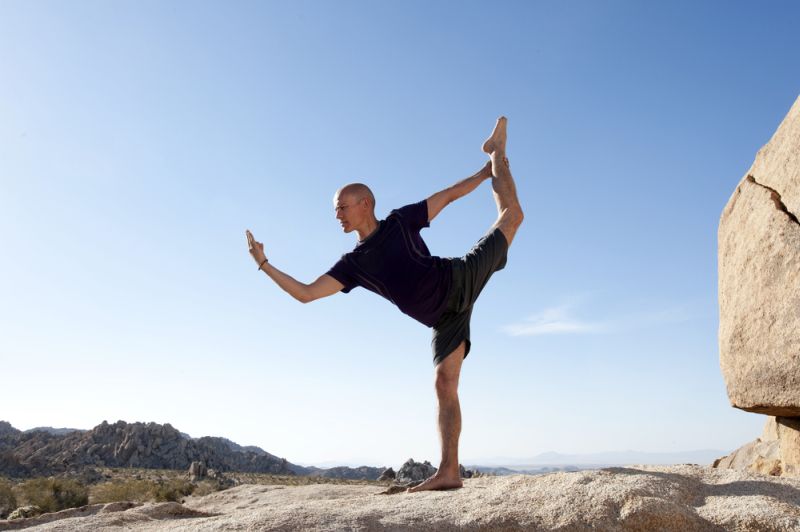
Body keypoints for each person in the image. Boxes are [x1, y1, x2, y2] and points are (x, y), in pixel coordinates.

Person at [246, 117, 523, 492]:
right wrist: (263, 264)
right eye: (335, 210)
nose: (337, 215)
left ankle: (498, 152)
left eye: (342, 207)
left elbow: (448, 195)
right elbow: (307, 293)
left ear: (365, 204)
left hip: (460, 279)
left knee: (512, 216)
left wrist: (485, 172)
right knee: (444, 384)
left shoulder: (398, 222)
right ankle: (449, 472)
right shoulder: (353, 265)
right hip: (443, 320)